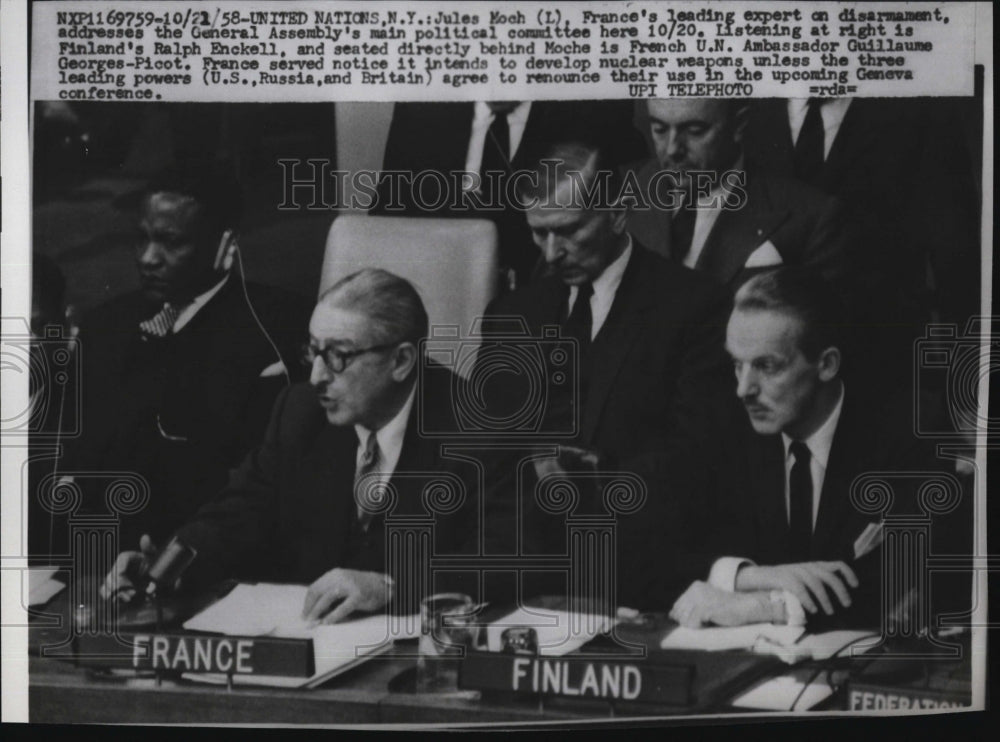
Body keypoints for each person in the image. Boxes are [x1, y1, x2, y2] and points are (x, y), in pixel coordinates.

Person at [103, 269, 479, 623]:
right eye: (313, 351)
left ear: (401, 361)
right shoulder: (300, 412)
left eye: (338, 356)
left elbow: (507, 555)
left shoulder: (478, 425)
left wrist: (392, 587)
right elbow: (238, 513)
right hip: (314, 647)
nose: (316, 376)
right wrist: (167, 567)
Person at [478, 139, 739, 610]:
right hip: (526, 581)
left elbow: (698, 457)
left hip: (645, 577)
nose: (552, 253)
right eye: (539, 234)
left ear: (618, 214)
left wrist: (591, 480)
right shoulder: (510, 315)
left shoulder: (696, 307)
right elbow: (490, 464)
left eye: (569, 231)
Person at [668, 268, 970, 630]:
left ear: (826, 364)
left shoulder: (908, 431)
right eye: (737, 365)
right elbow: (654, 550)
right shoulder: (725, 426)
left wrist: (768, 606)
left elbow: (912, 581)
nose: (743, 389)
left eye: (766, 366)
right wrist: (747, 576)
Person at [60, 161, 311, 551]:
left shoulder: (274, 328)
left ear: (226, 245)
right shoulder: (105, 324)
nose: (147, 258)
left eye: (171, 242)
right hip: (95, 548)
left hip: (204, 552)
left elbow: (248, 480)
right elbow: (77, 457)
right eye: (141, 238)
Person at [372, 100, 647, 286]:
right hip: (438, 293)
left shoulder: (596, 109)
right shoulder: (420, 109)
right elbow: (383, 226)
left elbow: (628, 229)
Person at [626, 98, 853, 293]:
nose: (672, 149)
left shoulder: (812, 218)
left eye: (694, 131)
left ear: (739, 125)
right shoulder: (617, 190)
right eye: (660, 130)